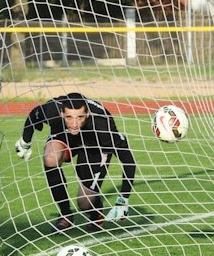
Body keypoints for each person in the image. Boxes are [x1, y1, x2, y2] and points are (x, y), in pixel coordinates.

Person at [14, 92, 137, 231]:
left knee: (84, 202)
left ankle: (96, 213)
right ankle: (65, 214)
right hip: (65, 135)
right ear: (61, 113)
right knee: (50, 158)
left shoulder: (103, 125)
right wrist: (25, 142)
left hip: (94, 145)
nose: (74, 124)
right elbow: (34, 115)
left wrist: (123, 199)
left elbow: (128, 160)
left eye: (80, 117)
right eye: (69, 117)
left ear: (88, 114)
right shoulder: (52, 110)